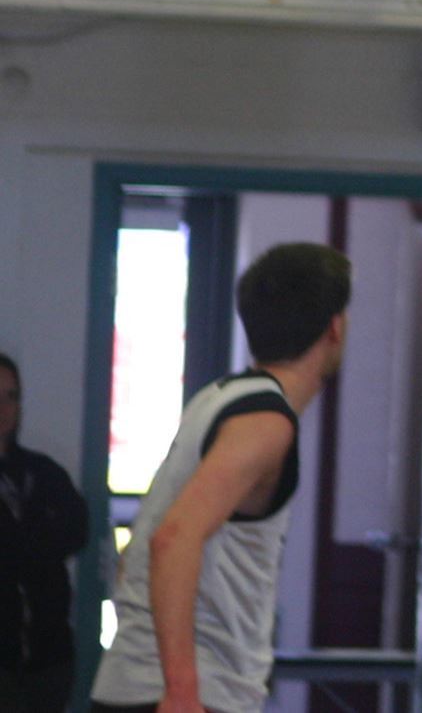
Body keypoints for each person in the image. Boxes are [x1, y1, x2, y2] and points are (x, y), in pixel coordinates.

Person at [91, 242, 352, 713]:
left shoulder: (216, 399)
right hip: (187, 694)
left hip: (136, 684)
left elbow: (138, 552)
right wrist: (182, 691)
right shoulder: (264, 423)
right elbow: (173, 538)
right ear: (335, 327)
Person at [0, 353, 89, 713]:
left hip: (49, 662)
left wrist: (22, 546)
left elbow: (77, 529)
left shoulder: (44, 474)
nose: (3, 407)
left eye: (11, 396)